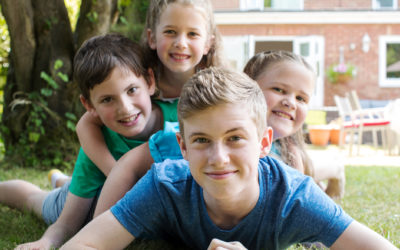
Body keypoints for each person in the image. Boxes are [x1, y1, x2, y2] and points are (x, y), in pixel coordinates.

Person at [61, 67, 397, 250]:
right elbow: (84, 243)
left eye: (235, 138)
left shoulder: (293, 199)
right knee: (46, 203)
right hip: (120, 201)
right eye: (202, 140)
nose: (218, 158)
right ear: (183, 147)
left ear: (264, 142)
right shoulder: (164, 185)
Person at [0, 33, 176, 249]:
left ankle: (62, 179)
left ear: (149, 81)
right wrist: (45, 242)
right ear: (89, 105)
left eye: (131, 90)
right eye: (107, 99)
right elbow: (66, 225)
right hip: (86, 203)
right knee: (35, 200)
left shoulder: (181, 119)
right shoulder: (97, 148)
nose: (125, 108)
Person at [73, 0, 225, 216]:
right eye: (171, 32)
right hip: (122, 169)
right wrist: (115, 172)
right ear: (152, 37)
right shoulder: (137, 79)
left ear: (208, 43)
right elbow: (85, 124)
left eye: (192, 34)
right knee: (47, 201)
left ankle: (60, 180)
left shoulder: (215, 90)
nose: (181, 43)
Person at [243, 50, 345, 199]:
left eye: (301, 98)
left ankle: (335, 168)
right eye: (279, 89)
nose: (291, 103)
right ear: (247, 87)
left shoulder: (291, 149)